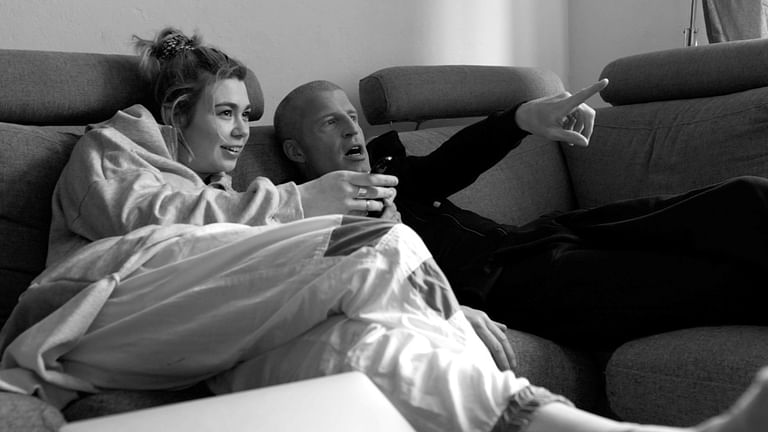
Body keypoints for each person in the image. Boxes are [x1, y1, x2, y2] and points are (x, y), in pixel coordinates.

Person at [0, 27, 766, 432]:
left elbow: (238, 255)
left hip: (210, 326)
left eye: (242, 118)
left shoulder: (238, 194)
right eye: (225, 114)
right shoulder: (119, 143)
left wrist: (445, 314)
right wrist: (306, 207)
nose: (237, 134)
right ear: (175, 113)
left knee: (371, 354)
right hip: (99, 306)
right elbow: (155, 223)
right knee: (387, 240)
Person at [274, 79, 768, 351]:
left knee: (744, 196)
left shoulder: (392, 171)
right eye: (330, 122)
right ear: (295, 150)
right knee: (721, 281)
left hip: (546, 233)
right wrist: (444, 307)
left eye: (352, 116)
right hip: (518, 285)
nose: (351, 130)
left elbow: (451, 164)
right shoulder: (306, 220)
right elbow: (362, 287)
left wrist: (521, 118)